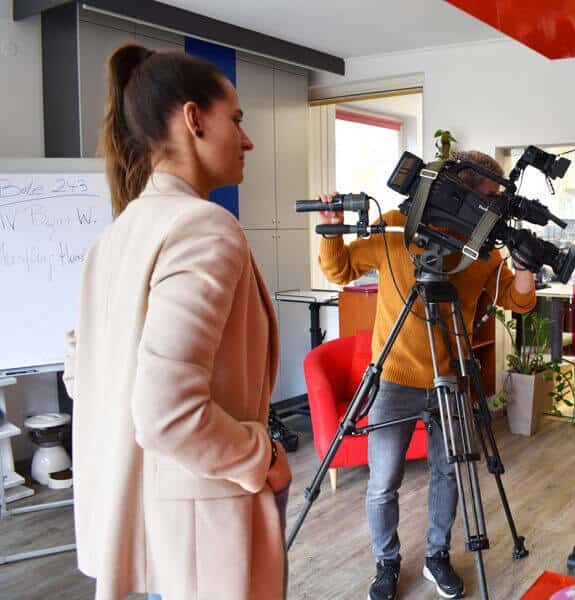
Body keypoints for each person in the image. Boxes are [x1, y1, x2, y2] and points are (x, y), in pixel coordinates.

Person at [62, 44, 291, 600]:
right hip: (199, 536)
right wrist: (260, 455)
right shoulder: (203, 227)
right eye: (236, 119)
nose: (247, 140)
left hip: (146, 527)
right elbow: (166, 412)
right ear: (194, 119)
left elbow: (80, 374)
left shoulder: (114, 237)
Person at [318, 150, 537, 600]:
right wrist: (331, 226)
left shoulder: (483, 249)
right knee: (383, 483)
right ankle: (386, 562)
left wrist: (525, 266)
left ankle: (438, 555)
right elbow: (339, 270)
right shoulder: (397, 227)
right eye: (488, 197)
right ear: (460, 190)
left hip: (451, 380)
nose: (492, 208)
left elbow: (519, 301)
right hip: (394, 379)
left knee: (449, 475)